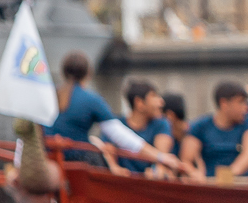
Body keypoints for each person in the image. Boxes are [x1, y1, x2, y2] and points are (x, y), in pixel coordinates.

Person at [50, 52, 190, 174]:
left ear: (63, 72)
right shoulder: (92, 100)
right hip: (75, 159)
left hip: (48, 156)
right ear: (89, 73)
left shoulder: (50, 95)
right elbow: (119, 134)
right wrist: (160, 157)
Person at [181, 79, 248, 177]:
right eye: (240, 102)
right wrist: (194, 173)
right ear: (224, 103)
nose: (246, 108)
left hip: (241, 185)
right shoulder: (199, 126)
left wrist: (226, 177)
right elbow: (187, 160)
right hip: (208, 186)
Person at [119, 77, 176, 174]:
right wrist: (115, 168)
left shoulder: (162, 124)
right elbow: (107, 150)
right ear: (139, 103)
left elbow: (162, 159)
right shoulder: (117, 124)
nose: (161, 102)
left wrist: (156, 172)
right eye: (154, 96)